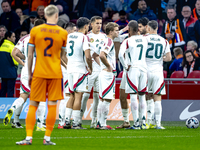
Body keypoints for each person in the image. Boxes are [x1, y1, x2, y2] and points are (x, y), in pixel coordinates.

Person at [15, 5, 68, 145]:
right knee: (51, 105)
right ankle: (47, 138)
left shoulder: (35, 30)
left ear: (44, 15)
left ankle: (28, 138)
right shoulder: (63, 33)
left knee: (33, 105)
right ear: (56, 16)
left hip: (38, 71)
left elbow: (30, 55)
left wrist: (30, 72)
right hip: (55, 73)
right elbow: (62, 55)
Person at [3, 19, 46, 130]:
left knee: (23, 96)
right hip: (38, 70)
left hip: (26, 70)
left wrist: (24, 61)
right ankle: (41, 124)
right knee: (40, 98)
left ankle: (14, 116)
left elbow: (14, 53)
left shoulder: (25, 38)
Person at [63, 17, 92, 129]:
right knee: (78, 96)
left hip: (70, 69)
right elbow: (88, 56)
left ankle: (66, 121)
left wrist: (68, 64)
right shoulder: (84, 37)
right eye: (88, 26)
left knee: (71, 95)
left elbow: (62, 55)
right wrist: (90, 68)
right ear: (85, 26)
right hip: (80, 69)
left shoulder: (69, 36)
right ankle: (76, 123)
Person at [119, 20, 148, 130]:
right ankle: (143, 123)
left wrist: (125, 66)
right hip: (143, 68)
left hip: (133, 68)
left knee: (133, 95)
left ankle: (136, 123)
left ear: (129, 30)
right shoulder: (145, 39)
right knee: (142, 96)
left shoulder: (127, 41)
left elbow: (120, 55)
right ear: (139, 29)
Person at [78, 16, 107, 129]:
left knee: (97, 97)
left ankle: (94, 121)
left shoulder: (104, 36)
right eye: (97, 23)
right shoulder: (86, 36)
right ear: (91, 24)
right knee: (84, 96)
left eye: (100, 23)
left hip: (100, 70)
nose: (99, 25)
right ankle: (78, 120)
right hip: (89, 70)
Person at [93, 22, 119, 130]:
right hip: (107, 74)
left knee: (103, 99)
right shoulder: (109, 41)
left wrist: (102, 65)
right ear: (111, 31)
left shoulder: (103, 40)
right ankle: (102, 124)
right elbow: (102, 55)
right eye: (117, 30)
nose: (118, 32)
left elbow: (94, 55)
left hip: (103, 73)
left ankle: (99, 123)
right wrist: (108, 66)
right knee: (107, 99)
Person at [146, 20, 172, 129]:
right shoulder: (164, 41)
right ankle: (158, 124)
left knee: (148, 96)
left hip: (146, 70)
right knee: (157, 97)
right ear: (157, 28)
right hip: (158, 71)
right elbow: (169, 58)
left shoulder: (144, 39)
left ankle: (148, 122)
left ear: (148, 28)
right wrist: (161, 58)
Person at [58, 22, 77, 129]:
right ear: (69, 31)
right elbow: (61, 57)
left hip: (70, 69)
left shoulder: (68, 40)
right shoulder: (63, 39)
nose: (76, 32)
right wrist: (68, 67)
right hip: (66, 71)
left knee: (69, 96)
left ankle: (65, 120)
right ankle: (61, 122)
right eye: (74, 30)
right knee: (67, 96)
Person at [0, 31, 17, 97]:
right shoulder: (12, 47)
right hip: (11, 73)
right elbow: (16, 61)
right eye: (13, 36)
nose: (15, 38)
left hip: (3, 74)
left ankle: (1, 106)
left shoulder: (1, 46)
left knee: (3, 91)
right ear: (8, 38)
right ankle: (10, 106)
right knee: (10, 91)